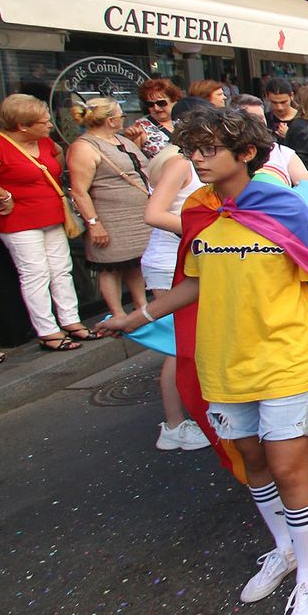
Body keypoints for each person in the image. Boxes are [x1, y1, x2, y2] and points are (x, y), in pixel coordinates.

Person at [98, 106, 308, 615]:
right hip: (223, 359)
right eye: (191, 149)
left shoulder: (282, 206)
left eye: (208, 149)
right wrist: (138, 315)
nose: (196, 160)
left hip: (286, 356)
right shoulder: (197, 210)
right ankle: (284, 551)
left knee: (290, 467)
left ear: (246, 153)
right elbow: (194, 281)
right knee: (252, 460)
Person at [0, 95, 93, 351]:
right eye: (43, 122)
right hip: (19, 220)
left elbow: (56, 156)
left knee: (61, 268)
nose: (50, 125)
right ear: (23, 126)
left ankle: (70, 320)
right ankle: (47, 330)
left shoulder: (43, 141)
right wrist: (4, 195)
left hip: (51, 214)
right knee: (35, 273)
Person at [140, 112, 210, 453]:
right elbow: (153, 214)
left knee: (189, 342)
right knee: (179, 345)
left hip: (184, 259)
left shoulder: (188, 162)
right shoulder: (181, 163)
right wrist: (208, 231)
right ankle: (173, 425)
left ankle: (187, 419)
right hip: (171, 264)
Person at [66, 97, 152, 322]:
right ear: (110, 120)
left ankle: (141, 305)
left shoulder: (120, 140)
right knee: (110, 267)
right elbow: (79, 191)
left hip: (136, 216)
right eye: (121, 115)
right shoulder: (84, 147)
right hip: (111, 217)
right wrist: (94, 224)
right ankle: (118, 313)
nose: (124, 119)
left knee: (135, 263)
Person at [233, 95, 308, 187]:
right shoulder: (227, 154)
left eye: (261, 117)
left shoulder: (283, 153)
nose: (259, 122)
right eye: (252, 118)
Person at [263, 78, 308, 172]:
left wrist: (290, 136)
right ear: (267, 97)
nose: (279, 107)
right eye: (274, 102)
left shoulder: (305, 121)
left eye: (283, 102)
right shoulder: (263, 120)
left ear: (291, 96)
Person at [127, 78, 183, 158]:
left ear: (174, 100)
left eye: (161, 103)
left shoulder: (185, 121)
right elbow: (134, 158)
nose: (156, 108)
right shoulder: (140, 127)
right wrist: (132, 140)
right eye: (150, 104)